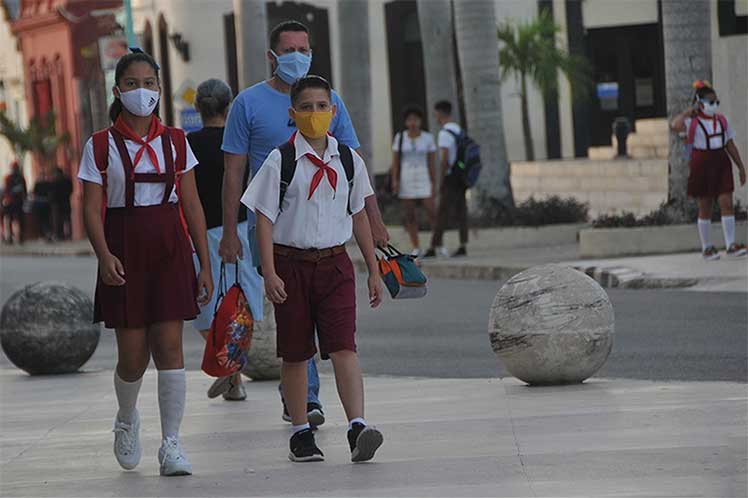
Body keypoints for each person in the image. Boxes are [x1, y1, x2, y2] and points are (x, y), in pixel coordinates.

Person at [219, 20, 389, 427]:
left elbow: (354, 168)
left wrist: (377, 226)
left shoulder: (332, 102)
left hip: (328, 239)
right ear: (272, 56)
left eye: (305, 49)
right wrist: (229, 232)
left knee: (338, 337)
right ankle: (306, 400)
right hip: (275, 235)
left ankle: (323, 408)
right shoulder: (248, 104)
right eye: (290, 49)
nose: (299, 55)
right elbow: (233, 172)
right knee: (295, 332)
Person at [78, 51, 213, 476]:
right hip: (124, 247)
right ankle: (126, 418)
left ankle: (171, 444)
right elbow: (90, 206)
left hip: (170, 249)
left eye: (150, 83)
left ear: (160, 88)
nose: (143, 91)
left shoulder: (176, 140)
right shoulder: (99, 145)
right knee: (133, 356)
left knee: (170, 347)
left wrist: (203, 262)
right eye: (133, 83)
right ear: (118, 90)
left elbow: (191, 203)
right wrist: (103, 255)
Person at [241, 75, 384, 463]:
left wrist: (372, 269)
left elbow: (358, 216)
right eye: (306, 107)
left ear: (334, 112)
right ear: (293, 114)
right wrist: (268, 271)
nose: (315, 114)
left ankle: (358, 426)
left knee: (344, 348)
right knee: (295, 352)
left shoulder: (350, 160)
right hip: (292, 265)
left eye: (322, 107)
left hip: (335, 264)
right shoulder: (280, 160)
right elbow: (264, 218)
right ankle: (301, 432)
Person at [188, 78, 262, 401]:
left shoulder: (187, 144)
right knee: (243, 305)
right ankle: (232, 373)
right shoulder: (239, 141)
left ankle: (231, 373)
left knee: (206, 309)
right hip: (241, 229)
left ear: (197, 108)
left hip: (201, 233)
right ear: (229, 106)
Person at [671, 80, 747, 259]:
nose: (714, 106)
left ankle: (731, 245)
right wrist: (688, 112)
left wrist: (741, 167)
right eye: (710, 102)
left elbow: (730, 144)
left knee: (726, 202)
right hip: (702, 163)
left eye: (716, 102)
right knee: (705, 206)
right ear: (700, 103)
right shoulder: (692, 122)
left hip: (721, 162)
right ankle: (707, 247)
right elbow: (675, 125)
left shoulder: (721, 121)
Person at [423, 100, 468, 258]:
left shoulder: (444, 133)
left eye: (435, 113)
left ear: (441, 113)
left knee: (442, 212)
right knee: (462, 210)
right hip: (462, 175)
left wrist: (441, 180)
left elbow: (445, 159)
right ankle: (463, 244)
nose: (435, 116)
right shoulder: (459, 130)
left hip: (450, 177)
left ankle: (433, 247)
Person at [391, 105, 437, 257]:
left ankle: (437, 243)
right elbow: (396, 161)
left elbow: (431, 162)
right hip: (406, 176)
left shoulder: (427, 138)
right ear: (406, 122)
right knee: (410, 213)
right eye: (410, 120)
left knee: (431, 211)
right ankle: (416, 245)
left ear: (420, 121)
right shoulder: (400, 137)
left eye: (415, 120)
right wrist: (395, 180)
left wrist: (433, 181)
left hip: (423, 175)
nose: (413, 123)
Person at [2, 161, 26, 244]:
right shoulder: (19, 177)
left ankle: (14, 238)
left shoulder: (10, 178)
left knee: (13, 220)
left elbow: (6, 190)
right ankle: (16, 237)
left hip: (13, 201)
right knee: (16, 219)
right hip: (15, 201)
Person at [50, 167, 73, 240]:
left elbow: (52, 192)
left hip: (58, 203)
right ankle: (68, 235)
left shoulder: (55, 181)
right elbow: (71, 189)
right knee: (66, 219)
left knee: (58, 220)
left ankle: (60, 235)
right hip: (65, 202)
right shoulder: (67, 180)